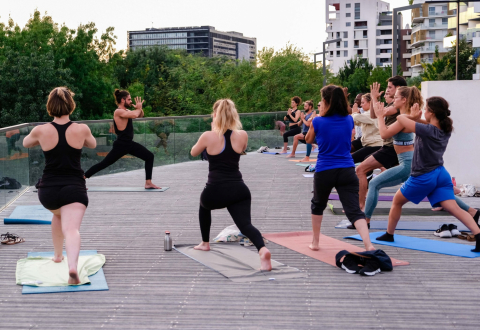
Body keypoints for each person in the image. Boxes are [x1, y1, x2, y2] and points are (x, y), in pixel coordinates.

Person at [375, 96, 480, 251]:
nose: (423, 112)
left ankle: (389, 234)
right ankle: (478, 234)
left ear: (431, 112)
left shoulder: (427, 130)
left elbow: (400, 118)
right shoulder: (445, 129)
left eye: (425, 109)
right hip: (440, 173)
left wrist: (384, 116)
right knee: (454, 208)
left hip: (424, 176)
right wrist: (416, 118)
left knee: (397, 201)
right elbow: (421, 124)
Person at [23, 87, 97, 284]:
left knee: (57, 214)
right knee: (71, 229)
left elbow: (25, 143)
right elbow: (93, 144)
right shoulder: (81, 128)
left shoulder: (41, 130)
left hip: (49, 191)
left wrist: (40, 137)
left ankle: (57, 256)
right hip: (74, 188)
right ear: (70, 106)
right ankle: (72, 267)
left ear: (50, 106)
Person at [190, 99, 272, 271]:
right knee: (245, 226)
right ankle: (262, 249)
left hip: (214, 191)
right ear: (234, 115)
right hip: (239, 190)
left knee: (203, 205)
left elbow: (193, 152)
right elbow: (240, 149)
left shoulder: (208, 135)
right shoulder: (243, 135)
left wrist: (213, 132)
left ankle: (205, 243)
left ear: (215, 115)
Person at [305, 85, 375, 252]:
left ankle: (315, 243)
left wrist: (316, 120)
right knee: (353, 210)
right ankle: (368, 244)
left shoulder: (318, 121)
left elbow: (308, 139)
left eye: (322, 100)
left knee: (318, 205)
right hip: (347, 170)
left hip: (325, 170)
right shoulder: (349, 119)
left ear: (326, 102)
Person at [84, 90, 160, 189]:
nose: (130, 101)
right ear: (122, 100)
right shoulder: (118, 111)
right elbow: (135, 115)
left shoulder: (126, 111)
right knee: (104, 163)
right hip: (121, 145)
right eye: (129, 99)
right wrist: (138, 109)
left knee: (149, 156)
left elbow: (140, 115)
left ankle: (148, 183)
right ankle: (82, 178)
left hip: (129, 144)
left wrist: (139, 108)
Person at [356, 76, 407, 210]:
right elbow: (374, 115)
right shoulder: (394, 104)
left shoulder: (397, 106)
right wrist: (374, 99)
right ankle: (451, 194)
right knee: (421, 176)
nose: (387, 90)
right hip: (391, 147)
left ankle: (360, 206)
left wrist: (375, 100)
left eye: (390, 87)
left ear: (398, 88)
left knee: (360, 170)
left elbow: (380, 114)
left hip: (392, 149)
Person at [350, 93, 383, 164]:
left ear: (370, 103)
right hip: (370, 144)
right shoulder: (368, 114)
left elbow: (355, 117)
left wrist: (354, 112)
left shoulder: (371, 114)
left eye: (363, 103)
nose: (361, 105)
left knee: (352, 159)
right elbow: (357, 122)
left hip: (375, 145)